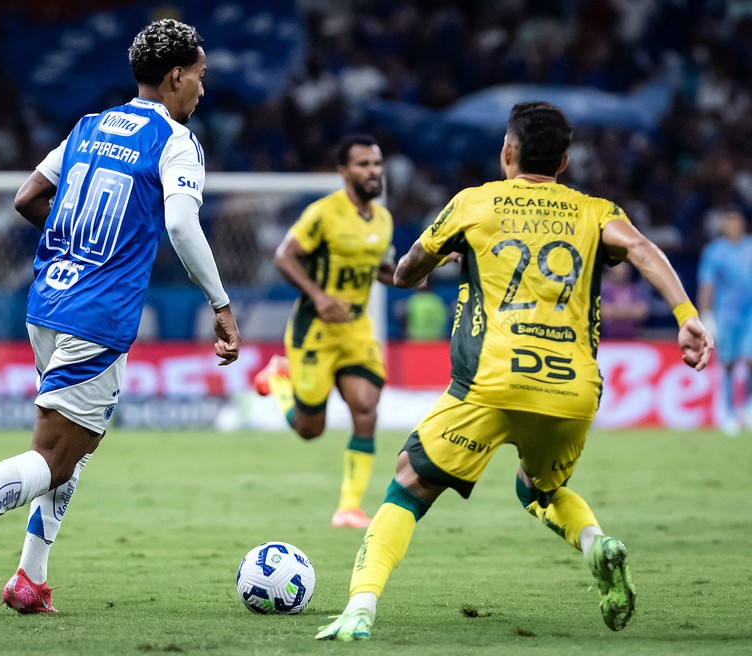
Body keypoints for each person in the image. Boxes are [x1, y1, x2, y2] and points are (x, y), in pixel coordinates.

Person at [315, 101, 714, 641]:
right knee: (539, 491)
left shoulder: (474, 203)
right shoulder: (597, 210)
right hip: (571, 390)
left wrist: (441, 260)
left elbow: (407, 271)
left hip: (491, 383)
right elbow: (643, 250)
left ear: (507, 152)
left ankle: (360, 607)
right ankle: (598, 543)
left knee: (408, 486)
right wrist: (686, 317)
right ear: (565, 162)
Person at [0, 19, 241, 613]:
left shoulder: (88, 127)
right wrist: (222, 305)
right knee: (54, 457)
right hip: (98, 315)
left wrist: (76, 242)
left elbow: (26, 198)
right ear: (176, 76)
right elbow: (181, 224)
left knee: (67, 449)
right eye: (200, 77)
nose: (203, 90)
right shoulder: (176, 141)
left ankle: (30, 578)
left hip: (48, 301)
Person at [253, 134, 395, 529]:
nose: (373, 171)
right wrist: (318, 296)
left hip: (356, 331)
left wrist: (425, 266)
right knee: (309, 429)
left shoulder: (382, 220)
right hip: (314, 331)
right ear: (344, 171)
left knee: (366, 410)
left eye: (377, 163)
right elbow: (285, 256)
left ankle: (349, 507)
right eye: (364, 164)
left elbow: (383, 271)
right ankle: (278, 380)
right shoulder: (323, 213)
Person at [697, 207, 752, 434]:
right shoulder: (714, 251)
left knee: (750, 360)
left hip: (750, 315)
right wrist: (705, 314)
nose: (733, 226)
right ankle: (728, 412)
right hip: (726, 316)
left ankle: (748, 407)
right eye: (728, 222)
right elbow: (706, 284)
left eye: (736, 221)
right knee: (728, 364)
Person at [600, 261, 650, 339]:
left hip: (632, 339)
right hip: (607, 340)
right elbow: (604, 312)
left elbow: (641, 312)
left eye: (624, 266)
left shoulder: (635, 289)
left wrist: (614, 310)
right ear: (610, 269)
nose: (621, 270)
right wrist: (629, 310)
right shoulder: (604, 289)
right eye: (617, 266)